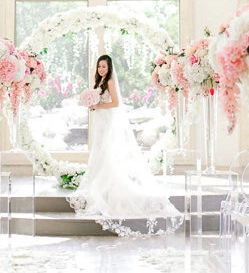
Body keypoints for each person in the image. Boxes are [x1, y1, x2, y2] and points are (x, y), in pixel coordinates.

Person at [68, 54, 182, 235]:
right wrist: (92, 104)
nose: (101, 69)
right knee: (99, 155)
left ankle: (109, 194)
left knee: (107, 156)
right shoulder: (99, 82)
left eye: (104, 66)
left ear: (109, 68)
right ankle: (101, 191)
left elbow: (115, 103)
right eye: (99, 66)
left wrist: (98, 105)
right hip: (100, 123)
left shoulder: (110, 82)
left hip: (107, 123)